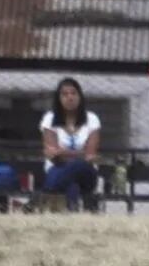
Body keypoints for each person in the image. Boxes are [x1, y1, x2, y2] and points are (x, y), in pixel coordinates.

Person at [28, 78, 101, 213]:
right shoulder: (49, 119)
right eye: (65, 94)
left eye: (73, 93)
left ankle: (40, 197)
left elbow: (90, 155)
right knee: (71, 183)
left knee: (79, 166)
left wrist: (63, 153)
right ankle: (72, 211)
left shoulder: (92, 119)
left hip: (87, 174)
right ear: (58, 98)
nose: (70, 97)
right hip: (57, 170)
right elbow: (54, 156)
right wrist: (78, 154)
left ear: (80, 96)